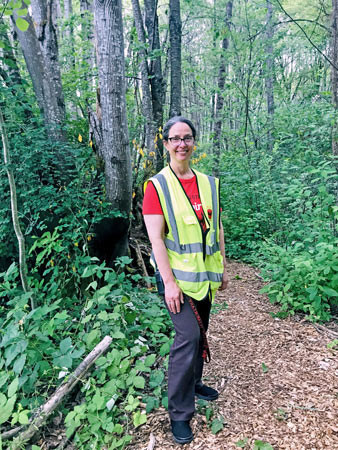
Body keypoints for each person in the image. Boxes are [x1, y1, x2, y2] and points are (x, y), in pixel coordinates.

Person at [142, 116, 229, 444]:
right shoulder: (157, 186)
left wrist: (222, 269)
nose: (182, 144)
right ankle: (179, 413)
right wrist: (169, 282)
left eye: (187, 138)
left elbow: (217, 228)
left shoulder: (209, 183)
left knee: (200, 332)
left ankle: (194, 384)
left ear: (194, 142)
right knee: (188, 339)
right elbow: (156, 241)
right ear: (165, 144)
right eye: (175, 138)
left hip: (204, 279)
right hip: (176, 280)